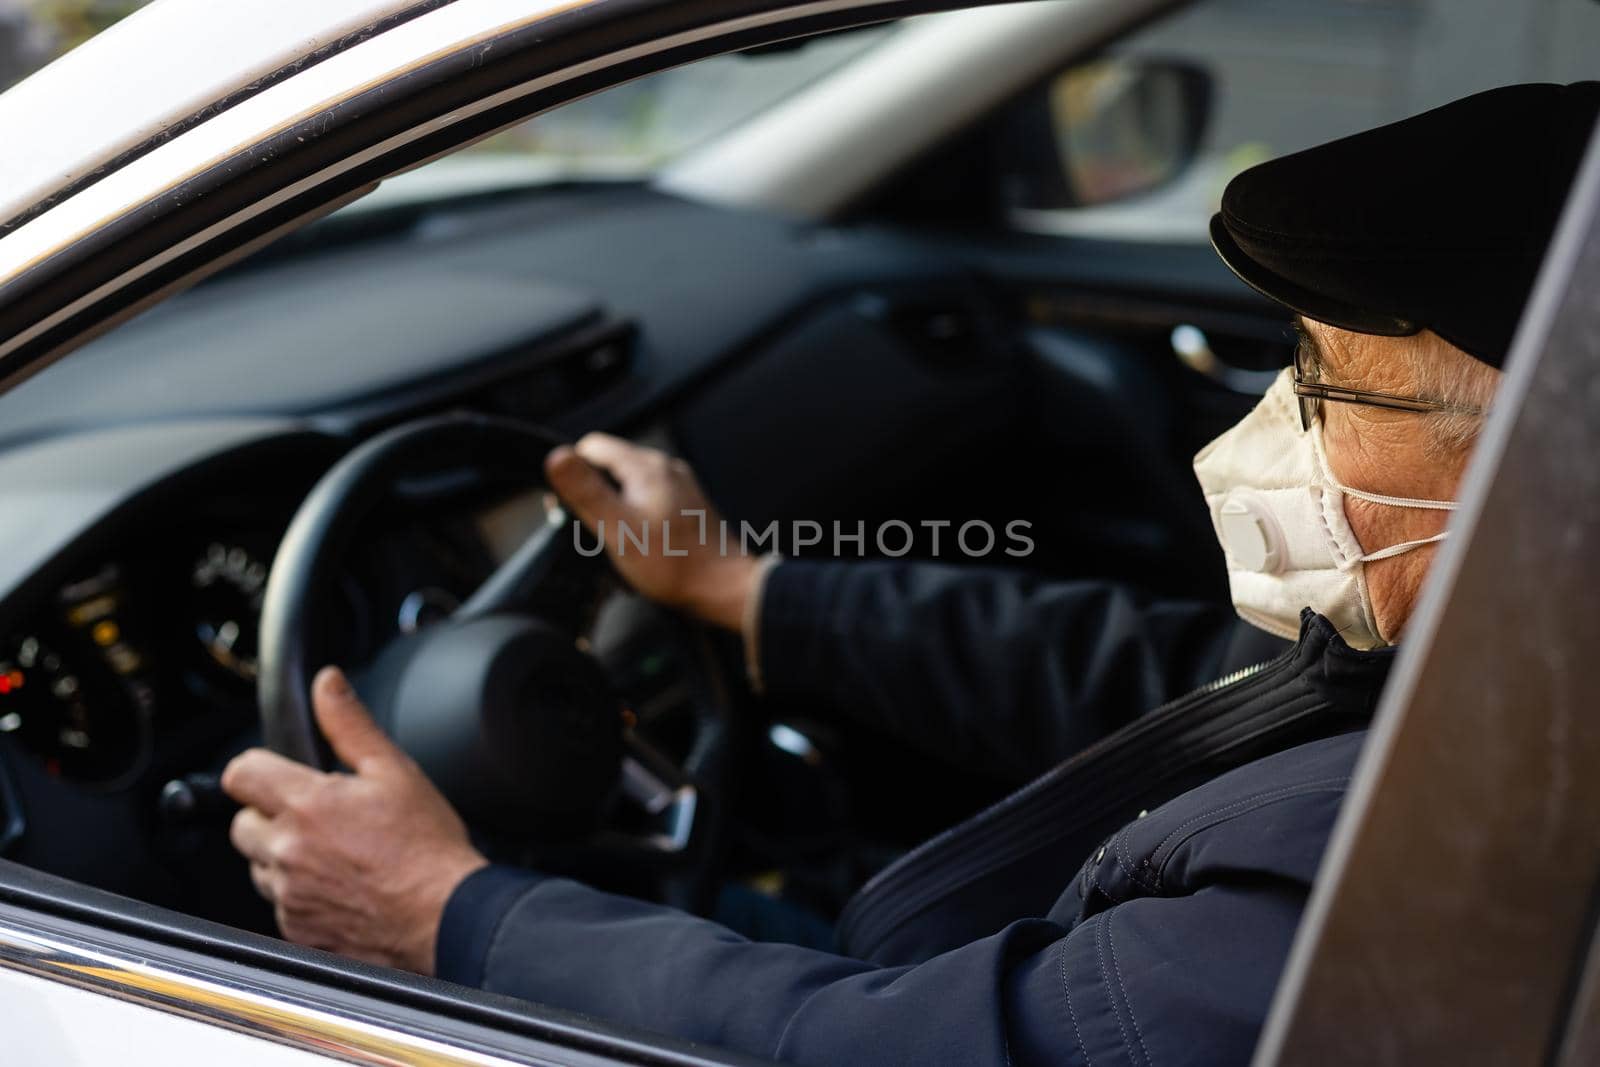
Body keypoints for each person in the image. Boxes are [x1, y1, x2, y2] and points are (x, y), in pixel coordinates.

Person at [220, 82, 1599, 1064]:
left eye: (1323, 378)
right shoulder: (1489, 679)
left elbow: (856, 1049)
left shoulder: (1394, 886)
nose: (1271, 421)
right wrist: (754, 595)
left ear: (1540, 457)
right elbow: (1185, 686)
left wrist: (454, 917)